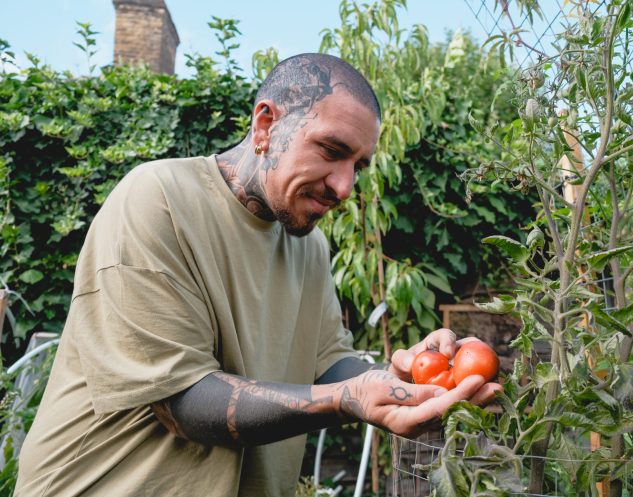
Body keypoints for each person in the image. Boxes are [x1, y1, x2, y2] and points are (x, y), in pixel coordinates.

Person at [15, 53, 501, 497]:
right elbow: (182, 403)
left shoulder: (309, 246)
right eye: (332, 151)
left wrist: (401, 374)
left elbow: (328, 361)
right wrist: (349, 398)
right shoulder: (158, 199)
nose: (345, 186)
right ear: (266, 125)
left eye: (359, 165)